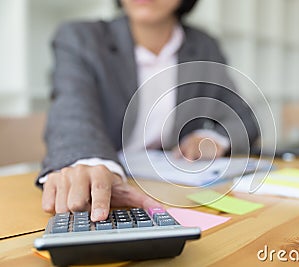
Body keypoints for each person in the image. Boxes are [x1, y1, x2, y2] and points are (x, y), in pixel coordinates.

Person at [38, 0, 259, 222]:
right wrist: (93, 163)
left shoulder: (203, 45)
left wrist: (213, 138)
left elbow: (243, 117)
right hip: (111, 190)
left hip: (174, 189)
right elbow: (71, 109)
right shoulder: (81, 37)